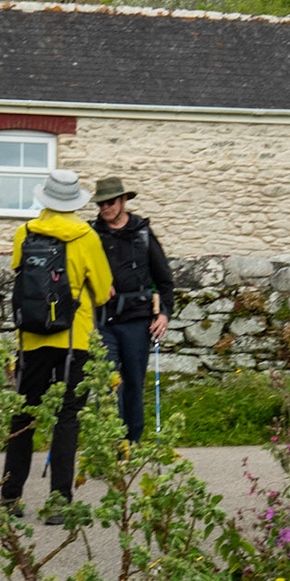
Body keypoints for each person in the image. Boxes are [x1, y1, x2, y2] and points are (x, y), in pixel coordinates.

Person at [3, 168, 112, 524]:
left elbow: (18, 271)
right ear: (74, 201)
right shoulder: (86, 236)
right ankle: (58, 503)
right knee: (67, 418)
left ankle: (10, 497)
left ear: (45, 199)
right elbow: (102, 289)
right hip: (73, 340)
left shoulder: (25, 232)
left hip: (31, 338)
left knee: (24, 414)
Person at [91, 176, 174, 443]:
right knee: (107, 384)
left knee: (134, 385)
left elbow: (164, 280)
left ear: (124, 200)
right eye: (101, 203)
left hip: (137, 322)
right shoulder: (91, 234)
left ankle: (131, 445)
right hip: (103, 320)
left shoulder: (142, 233)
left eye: (111, 202)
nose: (106, 207)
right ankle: (110, 445)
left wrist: (164, 314)